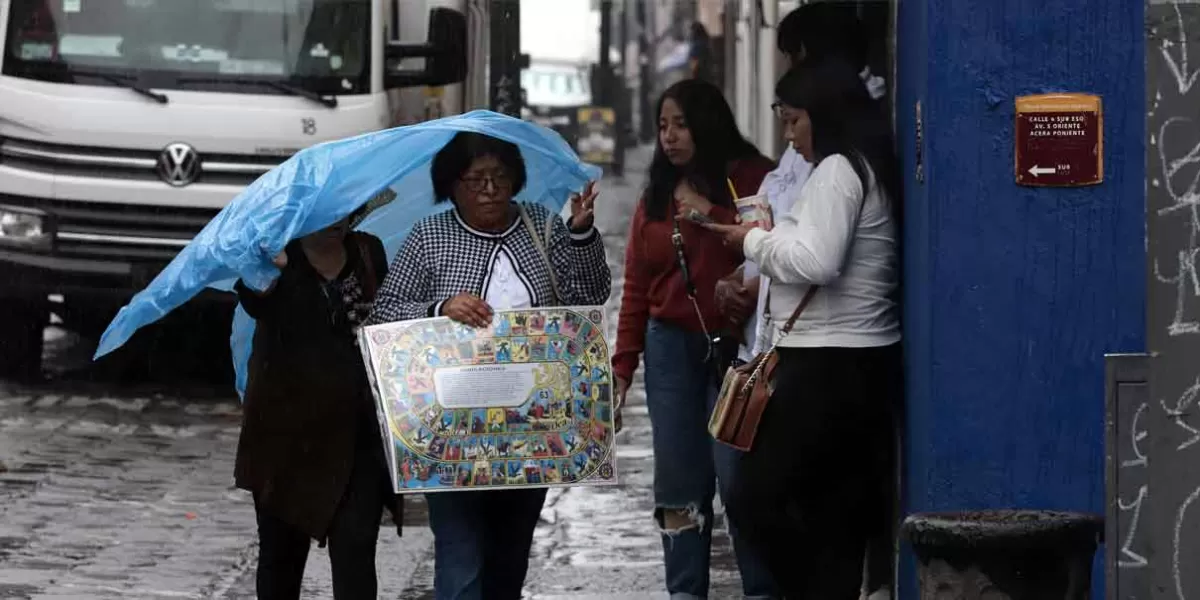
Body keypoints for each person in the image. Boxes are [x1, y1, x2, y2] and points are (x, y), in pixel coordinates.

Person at [366, 131, 610, 600]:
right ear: (452, 185)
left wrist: (579, 233)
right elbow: (384, 314)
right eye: (476, 179)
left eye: (499, 177)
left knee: (509, 558)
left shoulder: (542, 225)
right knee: (460, 560)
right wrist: (441, 308)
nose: (490, 189)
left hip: (536, 431)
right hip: (451, 433)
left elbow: (588, 298)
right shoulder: (429, 236)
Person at [703, 58, 902, 600]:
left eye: (793, 120)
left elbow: (817, 261)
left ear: (823, 114)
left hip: (827, 361)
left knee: (755, 497)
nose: (788, 136)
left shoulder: (840, 170)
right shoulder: (865, 166)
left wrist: (750, 241)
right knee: (836, 512)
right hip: (860, 359)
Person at [613, 78, 778, 600]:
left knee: (740, 482)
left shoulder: (752, 178)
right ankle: (684, 591)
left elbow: (774, 247)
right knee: (679, 487)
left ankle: (762, 590)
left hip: (741, 352)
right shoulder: (656, 195)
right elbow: (637, 285)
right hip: (670, 351)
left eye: (680, 124)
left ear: (707, 123)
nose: (669, 137)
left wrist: (707, 215)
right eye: (663, 126)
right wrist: (622, 368)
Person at [233, 209, 400, 600]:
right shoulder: (274, 257)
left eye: (343, 208)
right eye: (325, 209)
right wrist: (266, 272)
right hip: (283, 438)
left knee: (356, 553)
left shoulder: (368, 251)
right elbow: (255, 303)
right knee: (281, 557)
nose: (335, 219)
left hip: (356, 434)